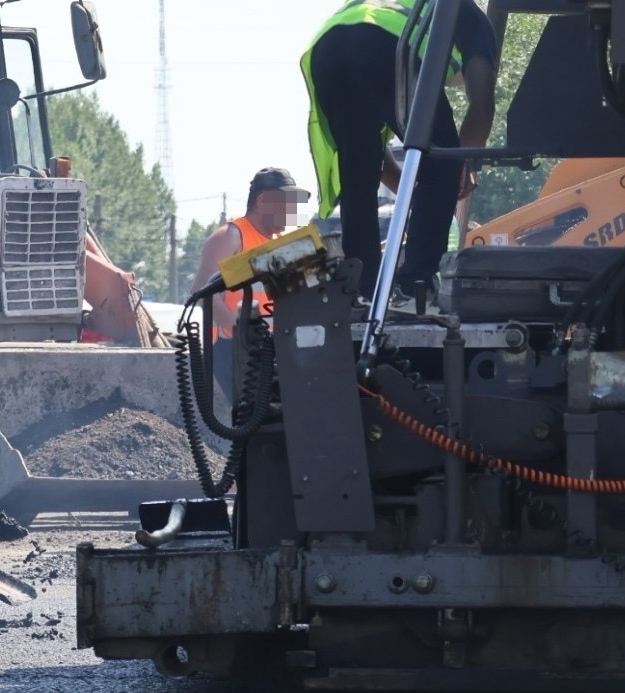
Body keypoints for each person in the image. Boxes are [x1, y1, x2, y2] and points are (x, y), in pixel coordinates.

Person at [302, 0, 497, 301]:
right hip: (386, 44)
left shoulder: (392, 8)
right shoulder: (471, 18)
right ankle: (415, 285)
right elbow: (482, 106)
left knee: (358, 174)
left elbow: (376, 159)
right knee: (444, 157)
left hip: (327, 48)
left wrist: (417, 196)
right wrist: (463, 165)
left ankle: (362, 289)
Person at [189, 167, 308, 402]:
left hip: (268, 349)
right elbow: (203, 293)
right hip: (234, 348)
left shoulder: (276, 244)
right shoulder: (231, 235)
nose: (291, 210)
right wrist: (243, 334)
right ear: (263, 200)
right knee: (254, 416)